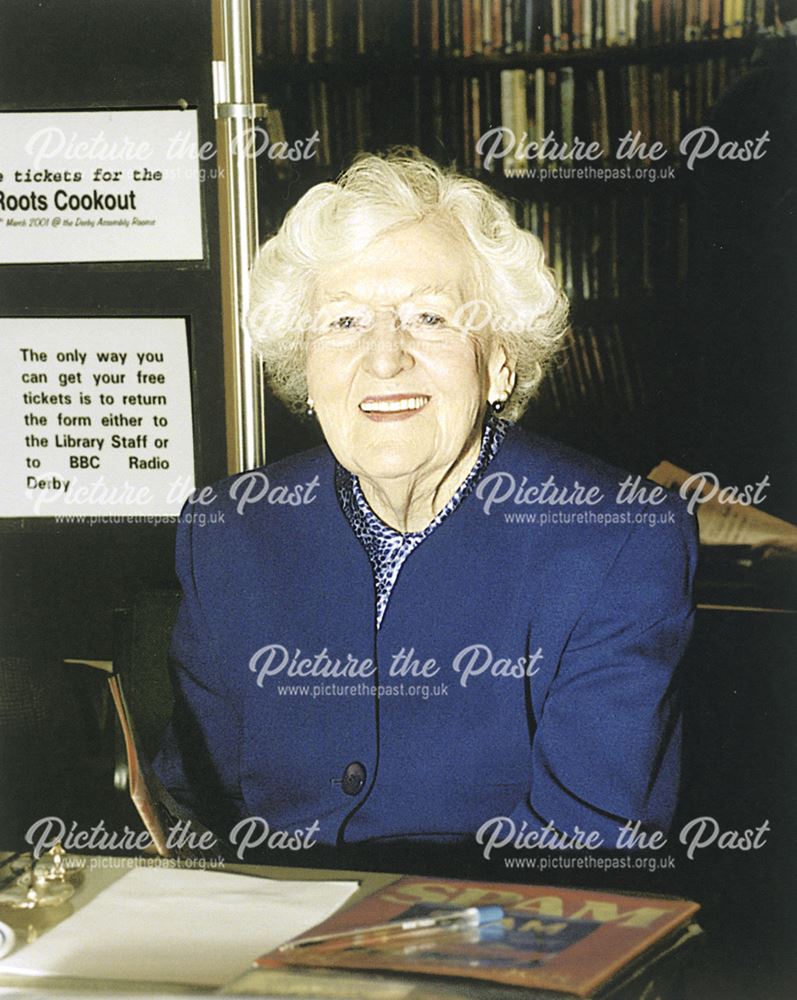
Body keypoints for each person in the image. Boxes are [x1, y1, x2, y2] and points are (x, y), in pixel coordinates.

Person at [154, 151, 697, 859]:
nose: (384, 358)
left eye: (430, 317)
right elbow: (192, 808)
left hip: (498, 953)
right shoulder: (233, 531)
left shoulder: (616, 538)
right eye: (344, 321)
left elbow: (581, 844)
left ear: (499, 361)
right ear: (304, 366)